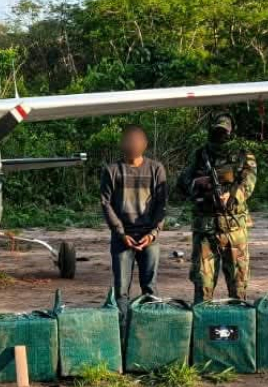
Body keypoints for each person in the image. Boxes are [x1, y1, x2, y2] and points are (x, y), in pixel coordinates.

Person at [177, 113, 257, 303]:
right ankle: (203, 325)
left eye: (225, 132)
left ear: (231, 132)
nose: (221, 136)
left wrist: (232, 195)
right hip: (206, 227)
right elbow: (183, 183)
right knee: (202, 283)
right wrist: (200, 185)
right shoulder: (200, 154)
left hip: (234, 227)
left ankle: (239, 326)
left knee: (238, 285)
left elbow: (249, 182)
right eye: (217, 132)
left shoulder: (243, 155)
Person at [100, 124, 167, 309]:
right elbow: (106, 204)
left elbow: (162, 205)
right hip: (122, 238)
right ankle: (122, 330)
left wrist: (153, 233)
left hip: (149, 238)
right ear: (122, 144)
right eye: (129, 140)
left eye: (137, 140)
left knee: (150, 288)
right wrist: (121, 233)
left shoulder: (156, 169)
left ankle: (151, 328)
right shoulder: (112, 171)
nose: (133, 144)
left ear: (145, 143)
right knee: (121, 290)